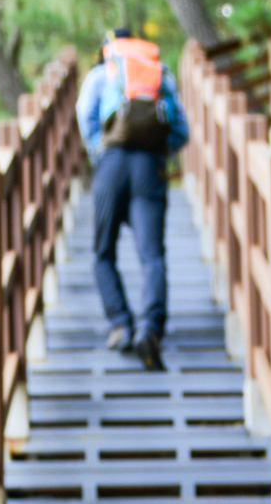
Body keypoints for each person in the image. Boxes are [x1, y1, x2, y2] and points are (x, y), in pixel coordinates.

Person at [76, 28, 190, 370]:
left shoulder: (101, 74)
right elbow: (181, 130)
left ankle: (120, 324)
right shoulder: (160, 75)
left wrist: (99, 150)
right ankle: (151, 328)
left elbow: (85, 114)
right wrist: (160, 153)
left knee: (103, 251)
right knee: (152, 254)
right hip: (149, 166)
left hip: (111, 164)